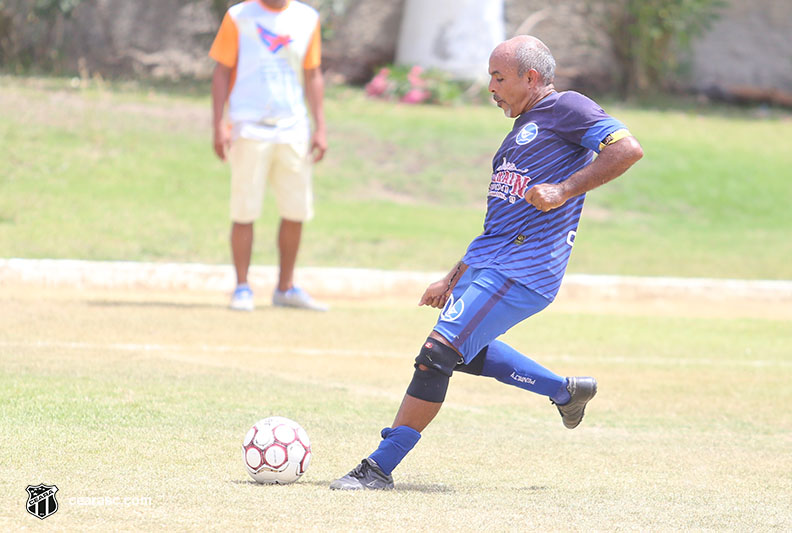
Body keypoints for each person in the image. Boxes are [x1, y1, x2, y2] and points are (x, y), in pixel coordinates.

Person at [330, 35, 644, 490]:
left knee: (436, 355)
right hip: (494, 260)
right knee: (465, 351)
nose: (491, 88)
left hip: (524, 267)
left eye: (499, 77)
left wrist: (564, 190)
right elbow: (498, 224)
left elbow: (627, 149)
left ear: (530, 77)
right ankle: (565, 391)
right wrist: (453, 275)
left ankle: (378, 467)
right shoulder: (517, 137)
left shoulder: (568, 107)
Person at [209, 0, 328, 312]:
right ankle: (242, 286)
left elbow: (313, 73)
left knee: (295, 210)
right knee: (244, 209)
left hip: (293, 128)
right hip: (249, 126)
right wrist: (218, 123)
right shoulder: (238, 16)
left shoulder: (307, 18)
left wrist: (320, 128)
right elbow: (222, 71)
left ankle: (285, 288)